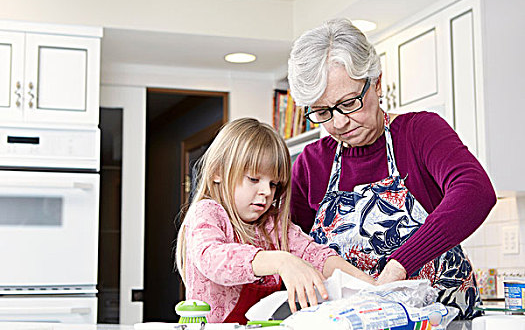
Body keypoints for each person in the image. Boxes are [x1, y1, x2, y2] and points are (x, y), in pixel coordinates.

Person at [287, 18, 496, 320]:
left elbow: (475, 191)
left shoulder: (418, 133)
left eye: (348, 104)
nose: (338, 123)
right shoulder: (311, 164)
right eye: (322, 112)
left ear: (377, 83)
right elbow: (292, 241)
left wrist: (399, 266)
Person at [175, 118, 375, 324]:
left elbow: (316, 255)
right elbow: (213, 259)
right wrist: (281, 261)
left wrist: (374, 288)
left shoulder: (271, 223)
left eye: (273, 184)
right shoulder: (207, 212)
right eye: (254, 179)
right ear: (217, 172)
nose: (266, 192)